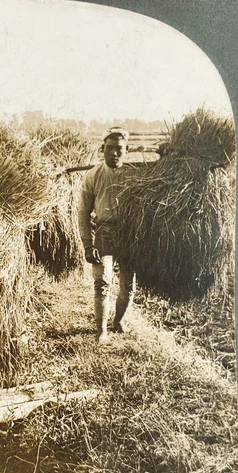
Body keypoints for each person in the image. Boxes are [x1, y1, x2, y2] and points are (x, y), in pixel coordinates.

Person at [78, 127, 135, 344]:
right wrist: (86, 244)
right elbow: (83, 211)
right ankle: (101, 330)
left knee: (128, 285)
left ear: (126, 150)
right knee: (102, 282)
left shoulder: (134, 175)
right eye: (109, 148)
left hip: (129, 236)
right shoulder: (93, 176)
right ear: (102, 149)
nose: (114, 153)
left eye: (119, 149)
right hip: (103, 232)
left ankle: (118, 321)